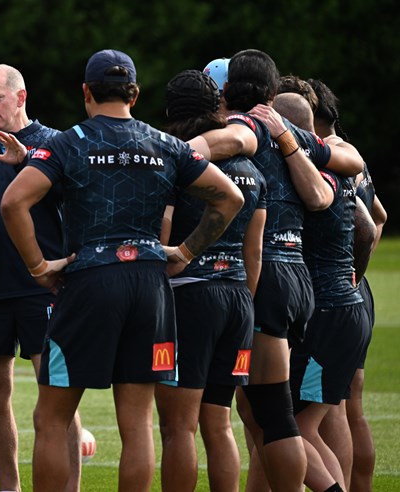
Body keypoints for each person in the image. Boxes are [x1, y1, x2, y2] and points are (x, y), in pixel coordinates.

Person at [0, 49, 244, 492]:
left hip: (90, 280)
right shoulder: (166, 144)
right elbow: (230, 198)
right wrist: (184, 252)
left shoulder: (67, 143)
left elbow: (14, 201)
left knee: (51, 417)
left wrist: (38, 266)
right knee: (137, 423)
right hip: (150, 287)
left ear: (86, 92)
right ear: (135, 93)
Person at [188, 49, 365, 492]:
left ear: (226, 93)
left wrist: (167, 151)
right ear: (271, 91)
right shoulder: (296, 137)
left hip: (262, 274)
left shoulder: (245, 127)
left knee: (268, 414)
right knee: (269, 413)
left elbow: (221, 145)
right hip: (298, 279)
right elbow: (350, 170)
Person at [0, 64, 80, 492]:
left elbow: (81, 202)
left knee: (57, 394)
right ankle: (9, 488)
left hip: (44, 287)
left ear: (20, 97)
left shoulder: (56, 145)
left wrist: (27, 163)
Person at [155, 69, 266, 492]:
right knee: (218, 422)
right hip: (238, 298)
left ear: (170, 112)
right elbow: (253, 251)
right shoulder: (252, 170)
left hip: (188, 299)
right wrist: (246, 304)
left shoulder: (178, 163)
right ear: (218, 107)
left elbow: (164, 235)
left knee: (178, 428)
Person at [271, 91, 372, 491]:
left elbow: (363, 225)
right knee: (308, 425)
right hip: (348, 306)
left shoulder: (304, 170)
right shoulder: (334, 161)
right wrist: (354, 275)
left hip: (327, 312)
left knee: (291, 426)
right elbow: (367, 223)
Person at [309, 78, 387, 492]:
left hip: (337, 287)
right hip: (358, 289)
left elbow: (368, 223)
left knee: (331, 408)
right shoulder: (355, 157)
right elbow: (380, 217)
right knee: (351, 406)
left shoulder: (328, 158)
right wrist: (358, 271)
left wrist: (347, 272)